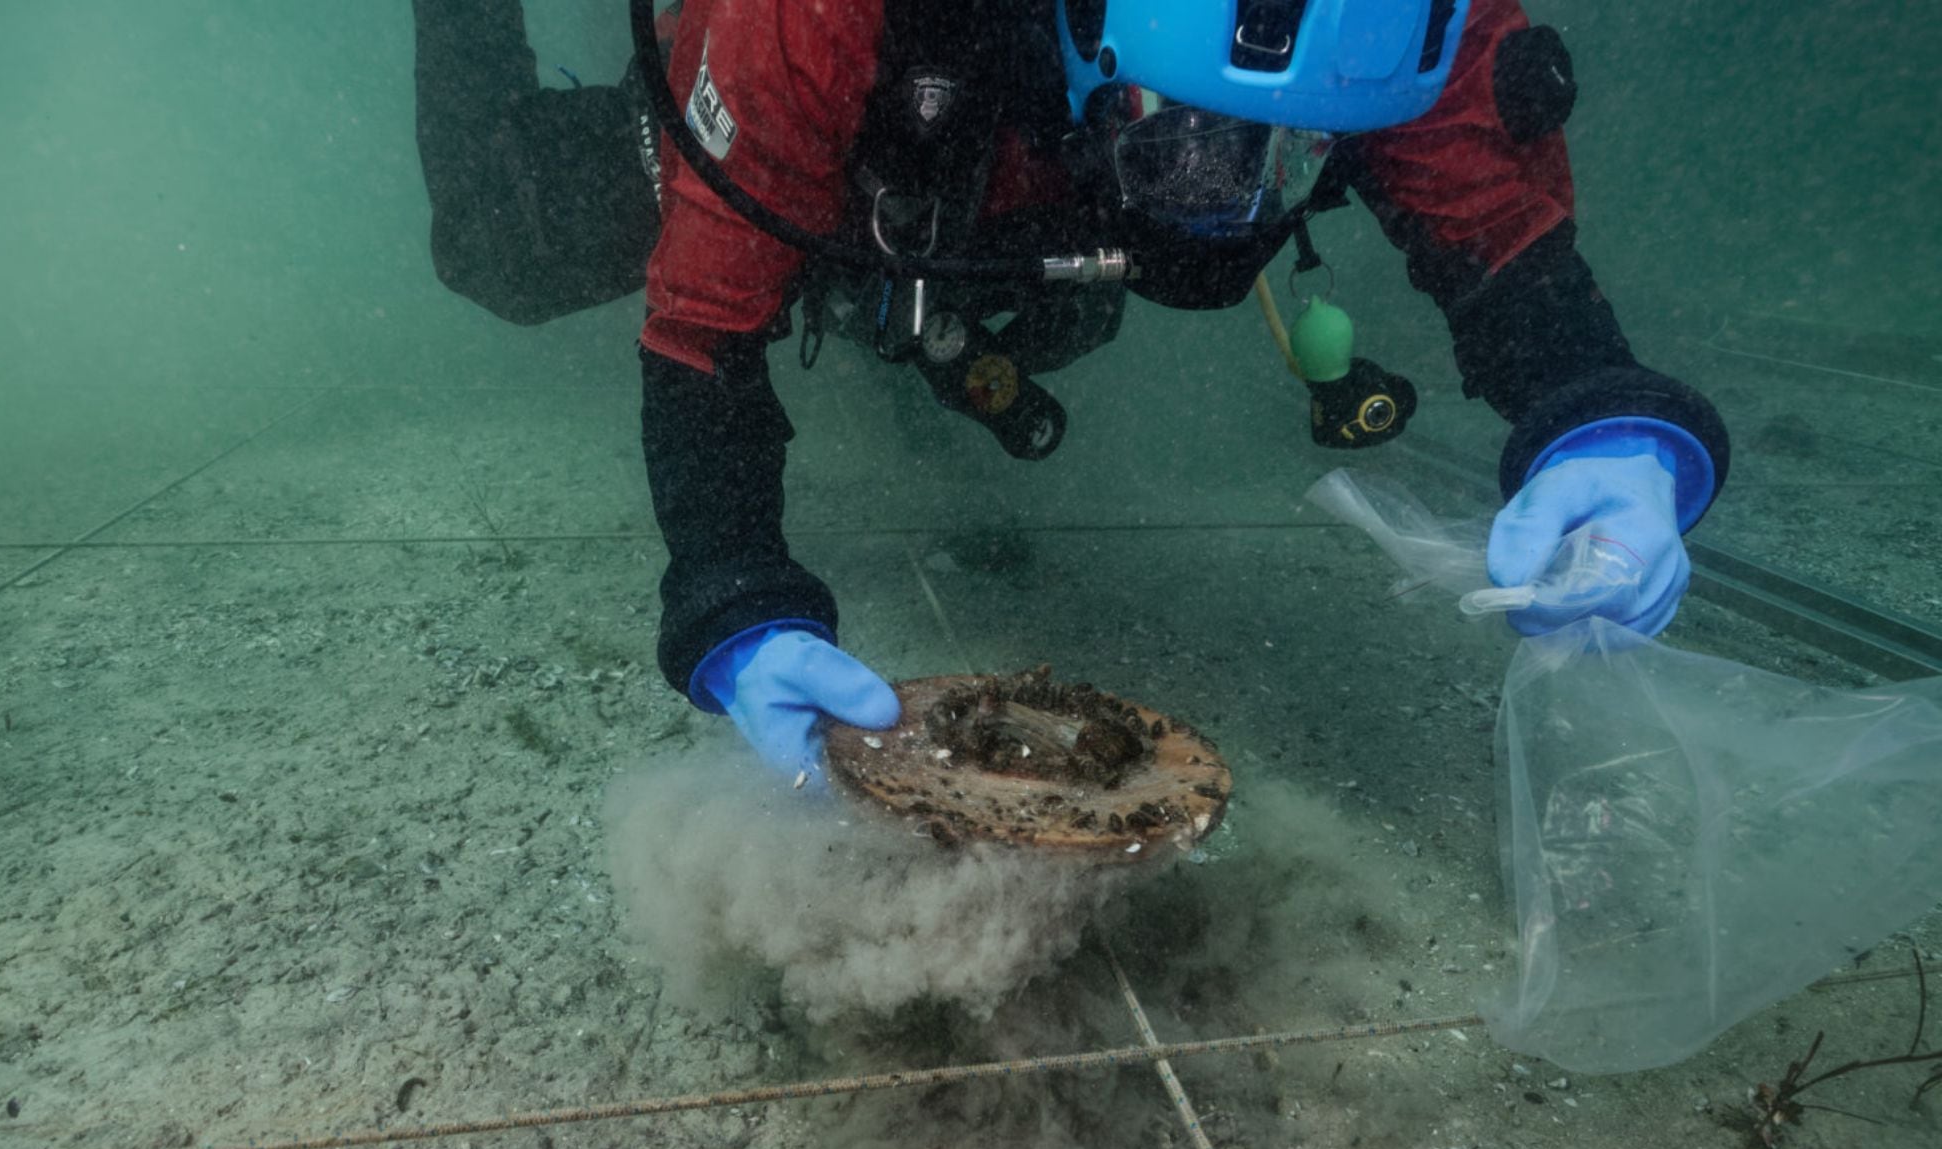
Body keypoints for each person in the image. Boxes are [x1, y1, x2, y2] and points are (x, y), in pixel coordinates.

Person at [413, 0, 1730, 784]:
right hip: (868, 114)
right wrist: (732, 592)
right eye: (1187, 140)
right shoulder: (803, 22)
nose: (1237, 202)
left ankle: (917, 317)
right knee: (496, 241)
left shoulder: (1401, 20)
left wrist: (1604, 420)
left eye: (1291, 152)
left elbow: (1501, 238)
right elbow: (705, 332)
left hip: (1006, 175)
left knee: (1055, 314)